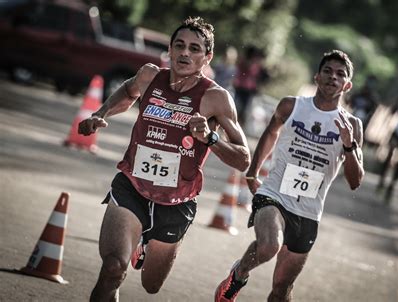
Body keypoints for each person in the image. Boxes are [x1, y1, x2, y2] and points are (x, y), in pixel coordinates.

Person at [78, 17, 251, 301]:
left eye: (195, 49)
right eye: (179, 46)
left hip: (177, 201)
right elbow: (128, 90)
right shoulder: (150, 75)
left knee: (151, 285)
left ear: (207, 57)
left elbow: (243, 158)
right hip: (131, 184)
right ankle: (130, 245)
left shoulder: (216, 98)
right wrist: (101, 113)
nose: (185, 53)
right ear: (169, 49)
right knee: (113, 268)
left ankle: (143, 242)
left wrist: (210, 138)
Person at [215, 50, 365, 302]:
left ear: (347, 85)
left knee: (281, 290)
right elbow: (271, 132)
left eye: (340, 74)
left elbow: (355, 181)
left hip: (308, 211)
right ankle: (239, 273)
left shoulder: (352, 125)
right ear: (317, 77)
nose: (333, 77)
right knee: (269, 245)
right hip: (274, 194)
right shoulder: (292, 105)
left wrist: (349, 145)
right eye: (327, 71)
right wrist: (253, 172)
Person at [233, 45, 268, 128]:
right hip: (241, 88)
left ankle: (239, 128)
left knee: (244, 111)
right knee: (235, 108)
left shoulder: (257, 65)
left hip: (249, 90)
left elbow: (258, 78)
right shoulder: (246, 62)